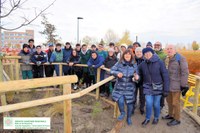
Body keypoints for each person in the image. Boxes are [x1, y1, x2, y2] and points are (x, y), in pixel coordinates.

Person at [138, 47, 169, 126]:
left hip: (158, 86)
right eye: (145, 53)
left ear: (152, 53)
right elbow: (139, 75)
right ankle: (147, 118)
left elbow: (165, 75)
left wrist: (166, 89)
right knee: (148, 103)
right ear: (144, 55)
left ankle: (156, 117)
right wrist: (137, 77)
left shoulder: (160, 62)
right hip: (147, 87)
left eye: (149, 53)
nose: (147, 54)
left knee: (156, 104)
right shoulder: (142, 64)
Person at [162, 44, 189, 126]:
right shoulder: (167, 59)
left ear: (175, 50)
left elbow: (185, 72)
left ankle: (177, 119)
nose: (169, 50)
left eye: (171, 49)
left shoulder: (180, 58)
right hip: (168, 85)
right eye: (168, 49)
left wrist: (183, 85)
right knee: (169, 101)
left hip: (176, 85)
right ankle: (170, 115)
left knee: (175, 103)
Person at [110, 49, 138, 125]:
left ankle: (128, 117)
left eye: (129, 54)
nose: (127, 55)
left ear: (131, 55)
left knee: (130, 104)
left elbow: (137, 75)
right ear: (123, 55)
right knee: (120, 101)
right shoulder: (119, 63)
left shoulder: (134, 64)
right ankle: (122, 113)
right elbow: (111, 70)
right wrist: (117, 73)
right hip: (120, 86)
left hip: (130, 87)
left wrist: (136, 77)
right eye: (126, 54)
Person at [154, 41, 167, 110]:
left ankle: (161, 105)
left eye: (158, 45)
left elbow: (166, 66)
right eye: (155, 45)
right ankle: (155, 104)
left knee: (161, 91)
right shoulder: (152, 53)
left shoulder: (164, 55)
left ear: (161, 46)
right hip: (153, 75)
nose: (156, 46)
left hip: (161, 75)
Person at [132, 47, 145, 115]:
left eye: (140, 52)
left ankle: (142, 107)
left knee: (142, 95)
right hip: (134, 80)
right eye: (137, 52)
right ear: (135, 52)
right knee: (133, 94)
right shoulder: (132, 59)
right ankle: (133, 107)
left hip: (143, 80)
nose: (139, 53)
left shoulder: (145, 59)